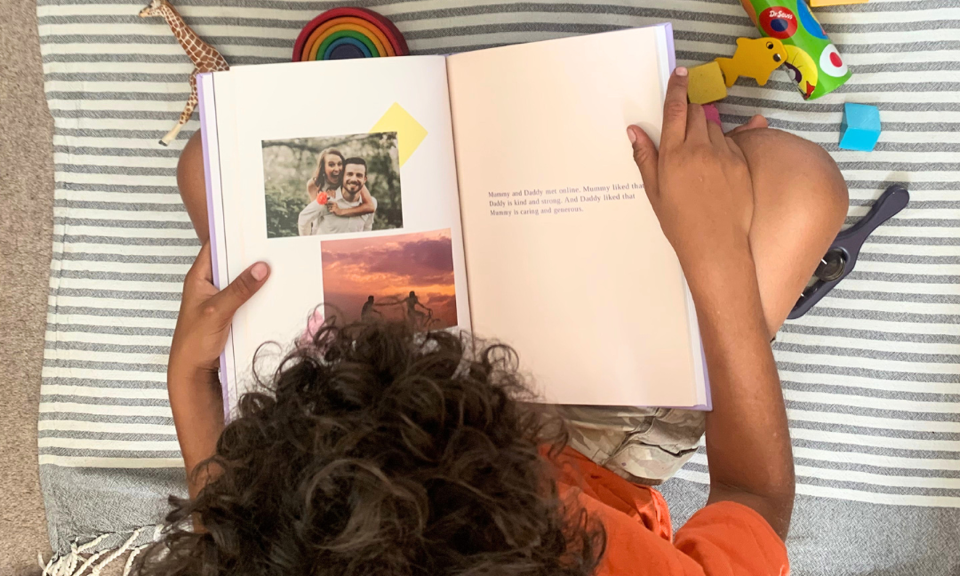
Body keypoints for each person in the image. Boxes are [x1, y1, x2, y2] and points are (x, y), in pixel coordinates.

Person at [161, 67, 848, 575]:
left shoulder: (282, 534)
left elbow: (228, 526)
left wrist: (192, 386)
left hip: (352, 408)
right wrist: (716, 253)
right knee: (800, 184)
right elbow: (753, 492)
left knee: (207, 165)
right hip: (589, 459)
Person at [298, 150, 377, 236]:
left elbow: (370, 206)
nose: (336, 169)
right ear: (323, 168)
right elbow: (310, 216)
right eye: (331, 165)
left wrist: (341, 211)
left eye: (339, 164)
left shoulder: (354, 183)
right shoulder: (314, 184)